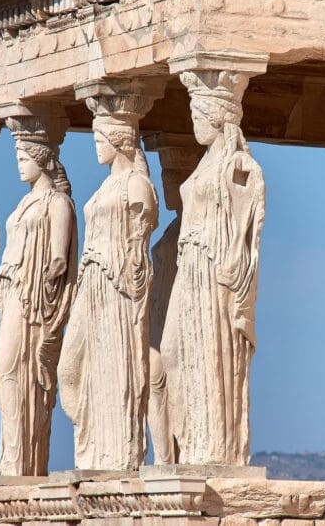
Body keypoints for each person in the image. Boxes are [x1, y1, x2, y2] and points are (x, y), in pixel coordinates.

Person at [161, 73, 265, 465]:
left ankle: (213, 447)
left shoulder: (238, 164)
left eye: (199, 114)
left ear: (218, 117)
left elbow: (249, 220)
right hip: (189, 270)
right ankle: (191, 444)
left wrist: (234, 273)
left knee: (206, 353)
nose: (193, 122)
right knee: (172, 350)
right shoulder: (206, 163)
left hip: (212, 273)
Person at [58, 113, 158, 470]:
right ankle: (95, 443)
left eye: (101, 138)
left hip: (117, 288)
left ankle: (117, 452)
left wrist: (131, 278)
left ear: (118, 139)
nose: (96, 145)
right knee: (70, 368)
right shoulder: (105, 187)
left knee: (115, 362)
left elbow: (140, 239)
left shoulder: (136, 185)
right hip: (92, 283)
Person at [0, 123, 77, 477]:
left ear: (42, 159)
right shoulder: (26, 202)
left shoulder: (58, 204)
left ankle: (21, 459)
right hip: (12, 294)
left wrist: (34, 281)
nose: (19, 164)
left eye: (25, 157)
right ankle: (11, 455)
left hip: (32, 300)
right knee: (4, 373)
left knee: (10, 370)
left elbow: (58, 258)